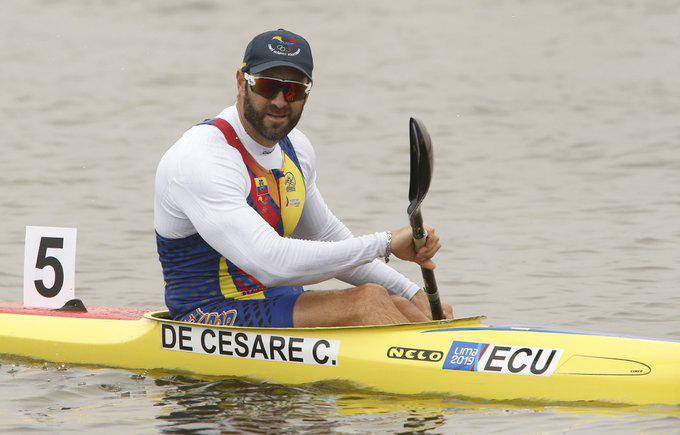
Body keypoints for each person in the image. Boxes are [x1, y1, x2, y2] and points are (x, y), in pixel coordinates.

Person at [154, 29, 453, 328]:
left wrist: (411, 291)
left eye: (294, 90)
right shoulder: (204, 157)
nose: (280, 101)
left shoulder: (296, 148)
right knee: (368, 301)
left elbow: (324, 235)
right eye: (268, 86)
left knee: (398, 304)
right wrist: (385, 243)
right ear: (241, 82)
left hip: (276, 304)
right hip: (207, 317)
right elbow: (271, 263)